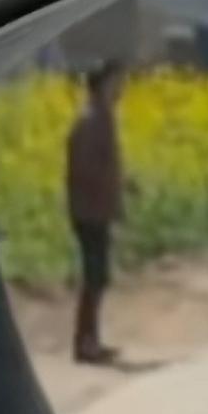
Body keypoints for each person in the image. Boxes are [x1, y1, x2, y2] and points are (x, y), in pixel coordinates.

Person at [66, 60, 125, 365]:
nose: (121, 87)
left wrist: (122, 185)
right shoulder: (92, 120)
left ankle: (91, 340)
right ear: (102, 84)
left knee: (98, 278)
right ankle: (85, 344)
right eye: (116, 81)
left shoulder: (101, 117)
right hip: (90, 210)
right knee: (94, 278)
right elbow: (87, 168)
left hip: (95, 208)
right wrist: (109, 186)